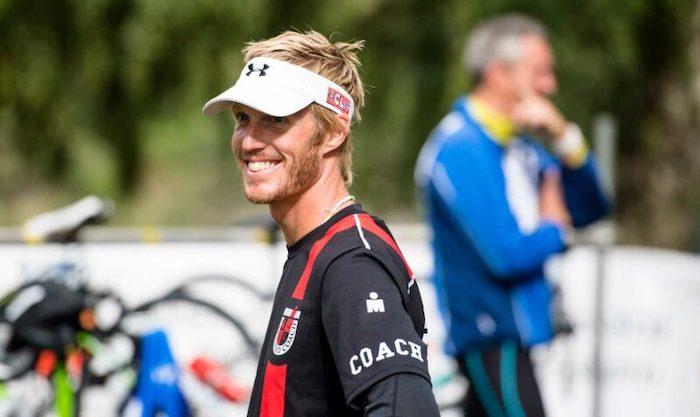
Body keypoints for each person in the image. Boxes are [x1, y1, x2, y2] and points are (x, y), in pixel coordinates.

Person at [203, 30, 440, 417]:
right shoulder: (318, 247)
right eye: (243, 118)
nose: (248, 141)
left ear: (333, 132)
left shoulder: (352, 263)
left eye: (276, 119)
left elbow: (407, 409)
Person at [414, 14, 611, 417]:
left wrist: (564, 137)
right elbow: (506, 253)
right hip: (491, 338)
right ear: (498, 74)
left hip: (517, 336)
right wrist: (556, 230)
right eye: (539, 72)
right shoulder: (460, 148)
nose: (550, 86)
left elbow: (593, 209)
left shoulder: (521, 147)